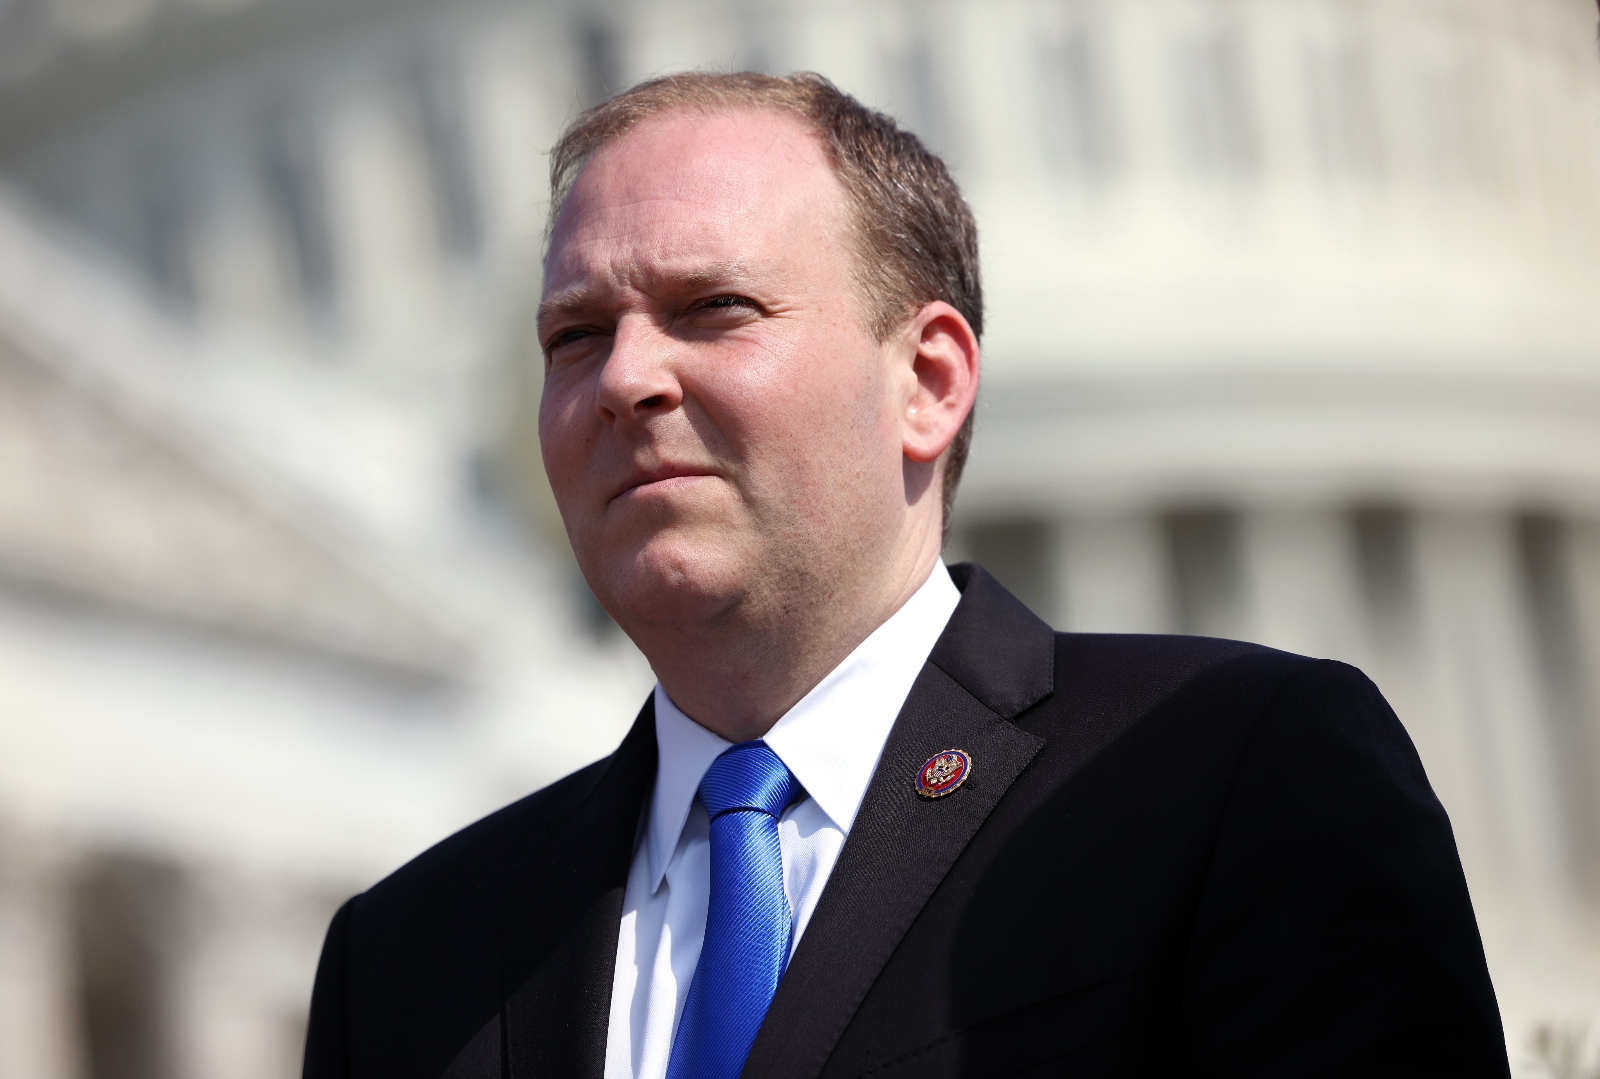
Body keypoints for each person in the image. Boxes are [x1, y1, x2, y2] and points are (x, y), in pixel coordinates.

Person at [302, 72, 1509, 1079]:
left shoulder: (1226, 777)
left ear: (928, 380)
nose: (624, 377)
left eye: (710, 307)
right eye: (575, 333)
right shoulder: (409, 960)